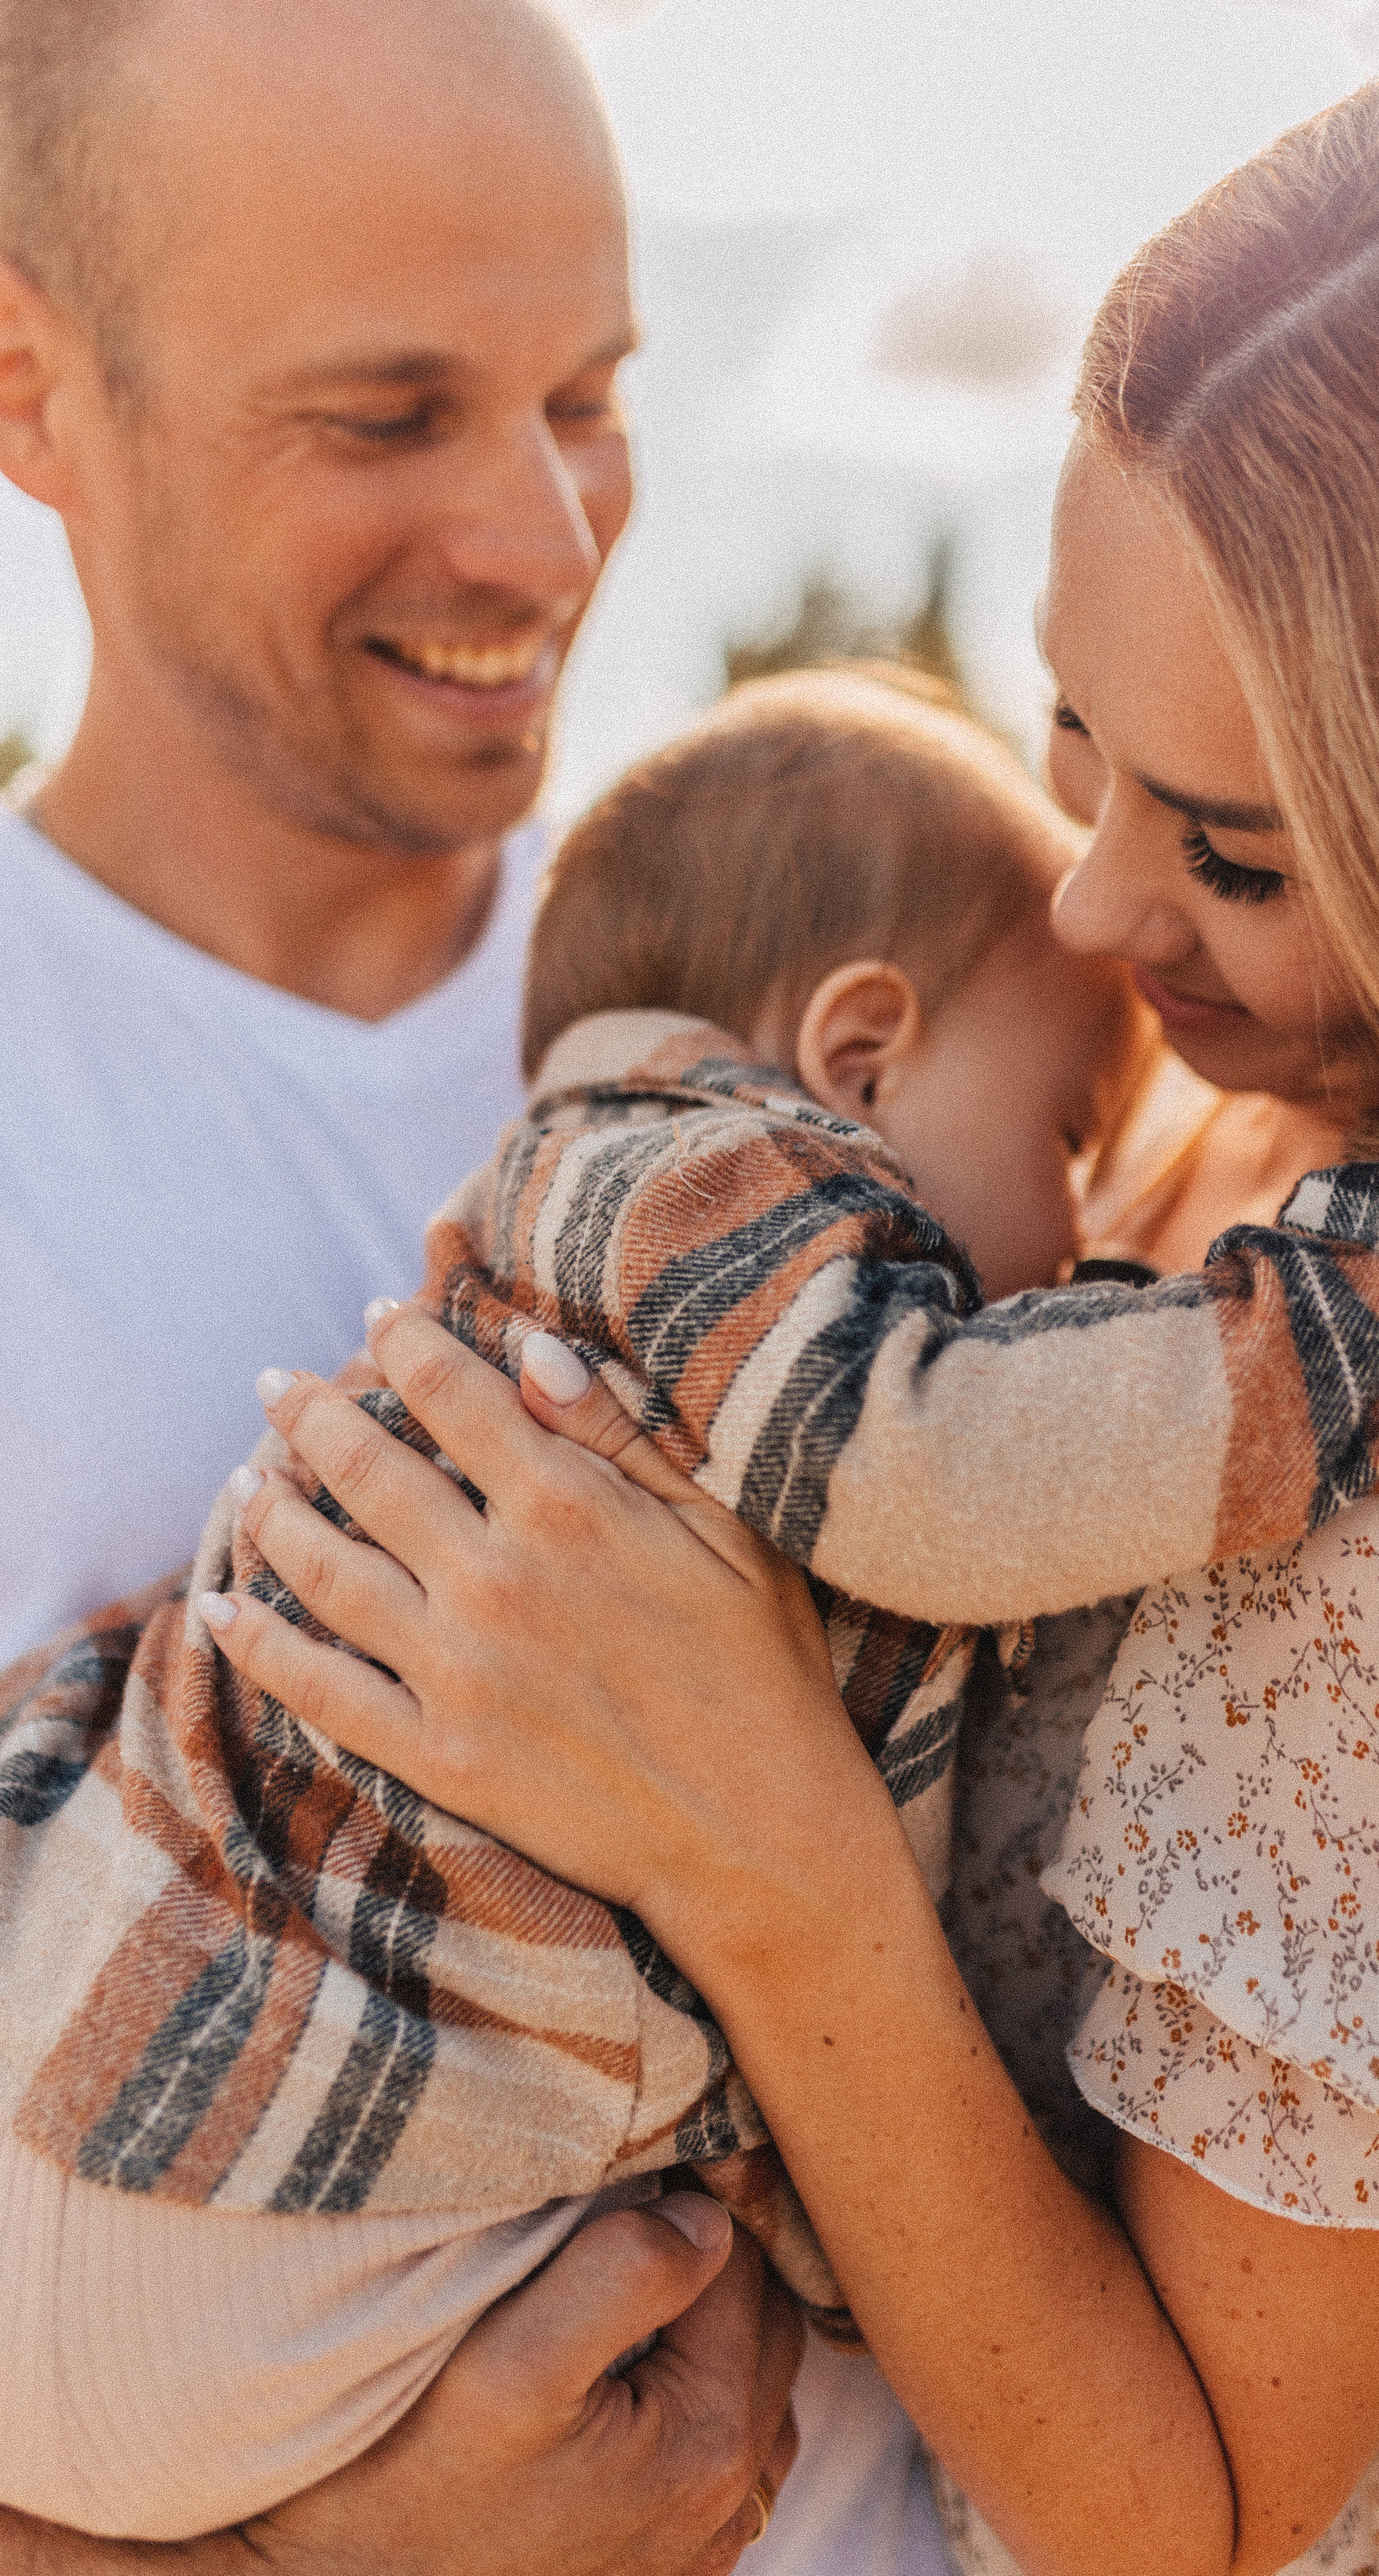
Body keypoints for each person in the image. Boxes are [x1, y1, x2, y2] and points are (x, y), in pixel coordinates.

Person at [203, 32, 1379, 2573]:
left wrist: (769, 1855)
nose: (1095, 909)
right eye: (1073, 737)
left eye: (1229, 852)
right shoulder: (1250, 1212)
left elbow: (1174, 2527)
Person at [0, 0, 827, 2563]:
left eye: (587, 391)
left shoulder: (855, 987)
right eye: (384, 419)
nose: (555, 541)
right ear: (34, 393)